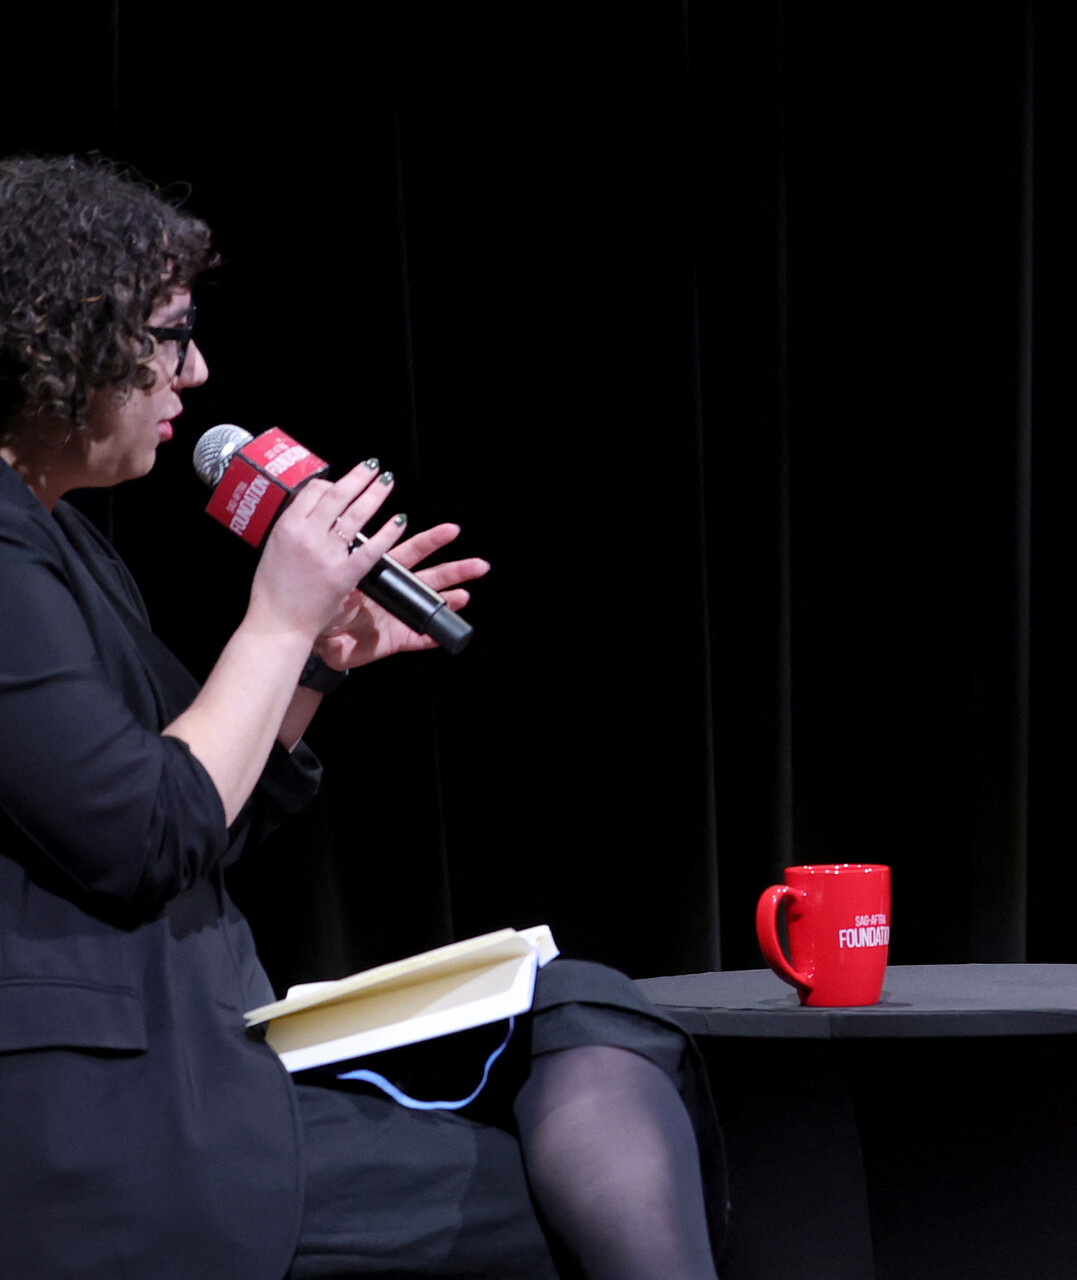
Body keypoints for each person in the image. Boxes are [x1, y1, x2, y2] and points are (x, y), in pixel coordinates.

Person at [0, 154, 722, 1279]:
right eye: (170, 335)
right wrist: (278, 613)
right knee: (582, 1209)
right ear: (61, 336)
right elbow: (144, 835)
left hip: (200, 1059)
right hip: (113, 1123)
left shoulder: (57, 536)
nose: (196, 371)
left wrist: (313, 664)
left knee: (587, 1011)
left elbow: (198, 817)